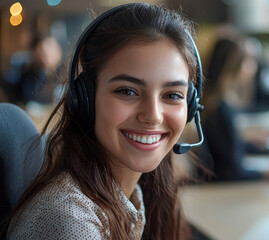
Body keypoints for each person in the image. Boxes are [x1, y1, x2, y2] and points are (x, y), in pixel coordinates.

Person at [3, 3, 202, 239]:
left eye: (172, 95)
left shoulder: (138, 193)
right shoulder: (71, 221)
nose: (153, 115)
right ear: (85, 98)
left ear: (190, 107)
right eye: (128, 91)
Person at [202, 34, 269, 181]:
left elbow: (226, 149)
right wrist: (268, 173)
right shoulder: (220, 109)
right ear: (233, 66)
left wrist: (253, 145)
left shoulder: (215, 103)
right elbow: (231, 170)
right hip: (219, 189)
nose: (253, 68)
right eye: (248, 61)